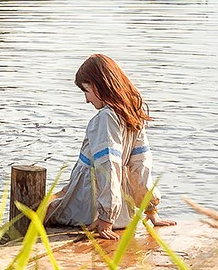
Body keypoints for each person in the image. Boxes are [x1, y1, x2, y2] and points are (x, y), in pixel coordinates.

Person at [46, 54, 160, 238]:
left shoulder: (105, 118)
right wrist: (150, 209)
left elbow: (108, 166)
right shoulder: (132, 116)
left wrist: (107, 216)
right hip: (123, 214)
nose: (86, 100)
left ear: (97, 86)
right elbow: (140, 168)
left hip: (89, 210)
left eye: (86, 91)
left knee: (37, 208)